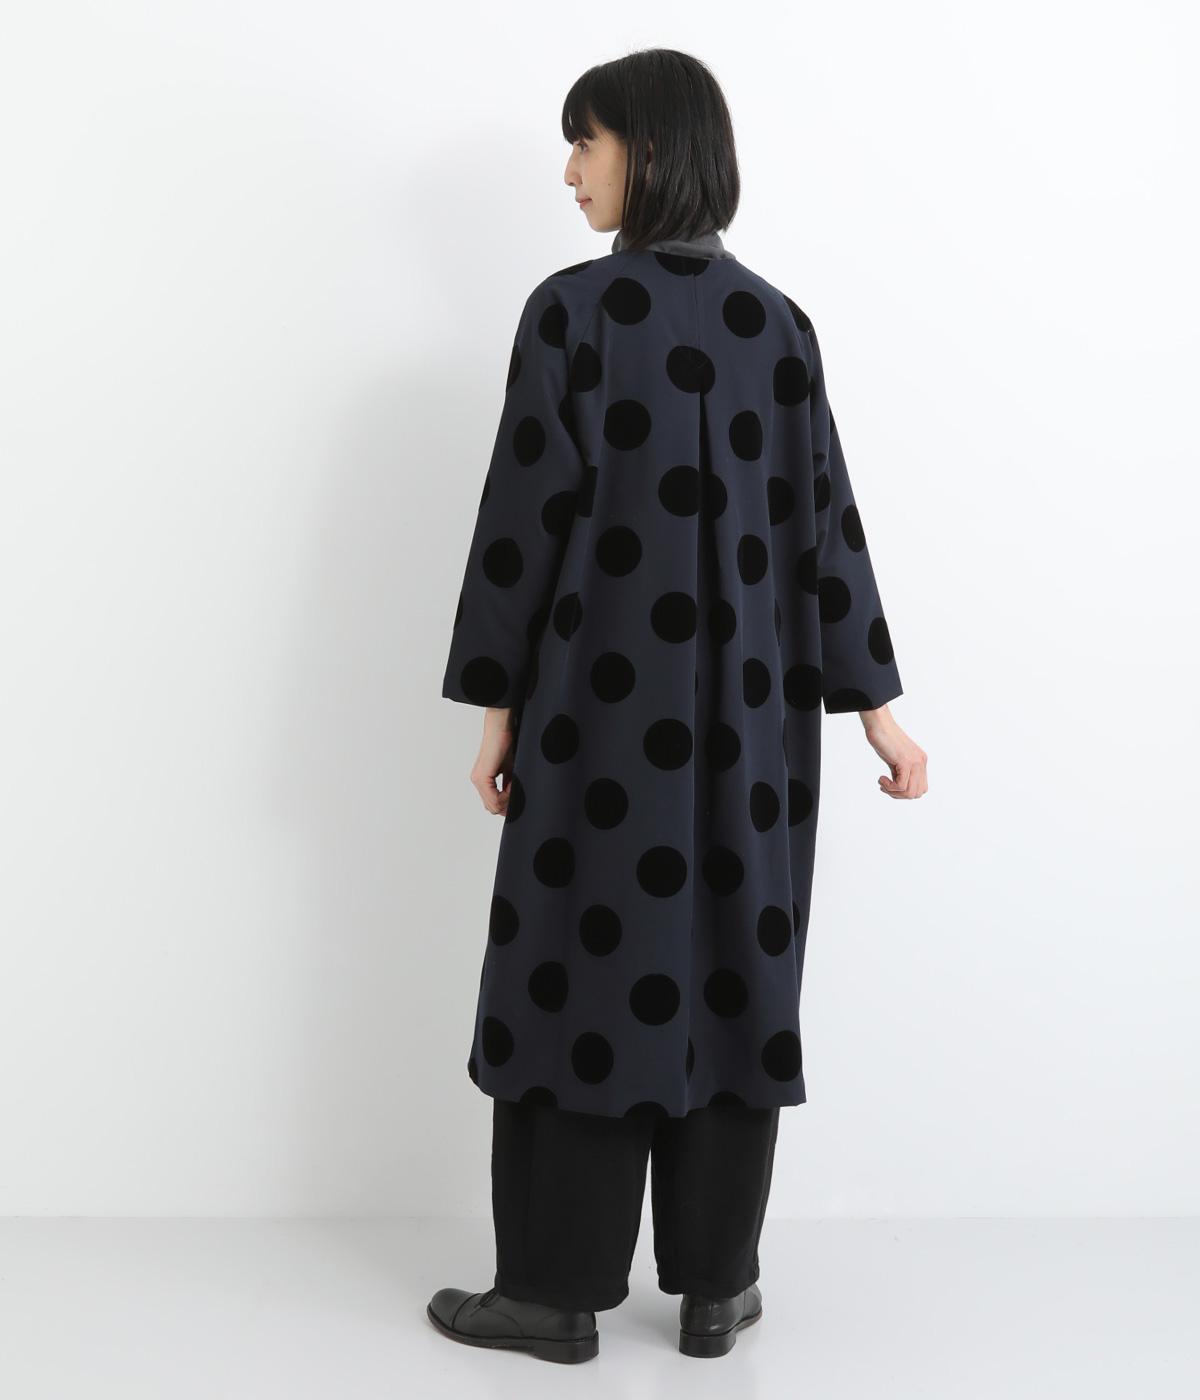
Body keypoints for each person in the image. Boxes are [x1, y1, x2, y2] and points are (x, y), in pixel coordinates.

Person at [428, 48, 929, 1364]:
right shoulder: (778, 325)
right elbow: (826, 529)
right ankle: (716, 1286)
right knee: (731, 963)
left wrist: (496, 709)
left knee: (580, 965)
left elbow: (522, 524)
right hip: (754, 735)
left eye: (585, 142)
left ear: (647, 151)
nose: (570, 170)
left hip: (596, 726)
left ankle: (553, 1292)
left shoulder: (572, 316)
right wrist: (875, 709)